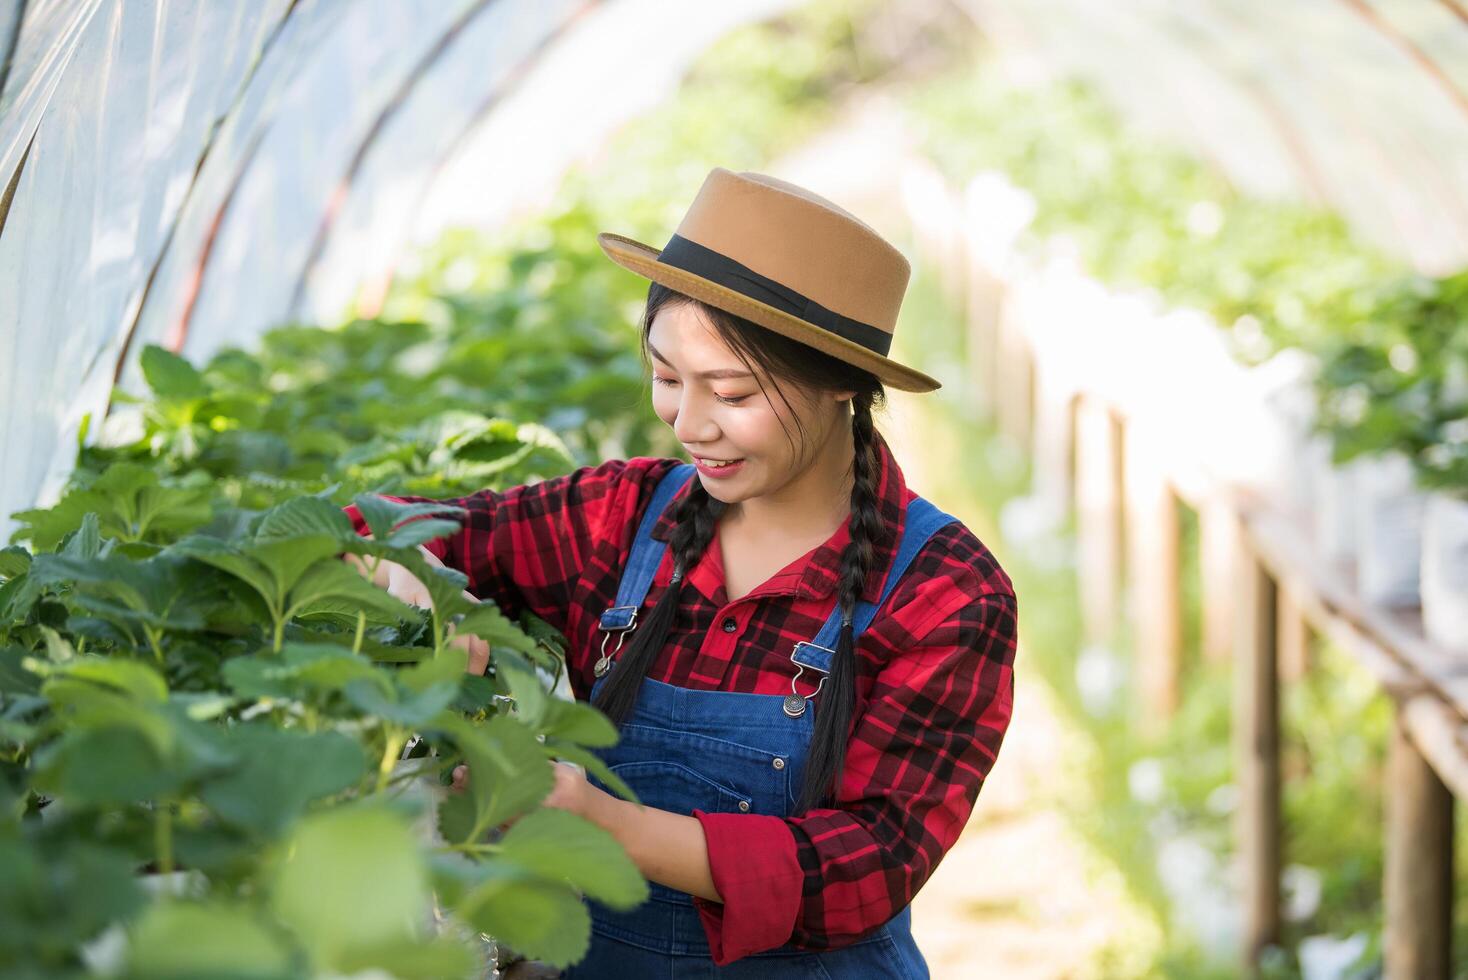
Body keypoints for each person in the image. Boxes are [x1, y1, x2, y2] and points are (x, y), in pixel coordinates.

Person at [344, 167, 1018, 978]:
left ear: (842, 382)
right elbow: (383, 522)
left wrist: (605, 822)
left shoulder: (944, 591)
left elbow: (869, 865)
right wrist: (415, 572)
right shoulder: (622, 519)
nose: (689, 424)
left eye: (730, 393)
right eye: (667, 378)